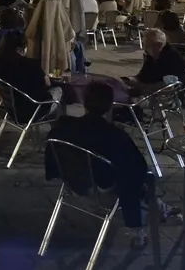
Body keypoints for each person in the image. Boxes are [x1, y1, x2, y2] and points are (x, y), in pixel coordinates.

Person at [46, 82, 177, 248]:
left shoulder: (63, 127)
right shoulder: (115, 136)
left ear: (85, 103)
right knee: (141, 176)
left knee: (130, 172)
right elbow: (137, 171)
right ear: (109, 107)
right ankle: (141, 229)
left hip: (72, 181)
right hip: (103, 189)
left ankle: (162, 208)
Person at [0, 30, 62, 123]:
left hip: (5, 109)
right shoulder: (31, 65)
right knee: (59, 90)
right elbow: (47, 83)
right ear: (20, 48)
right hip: (30, 111)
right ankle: (59, 128)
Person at [124, 28, 185, 97]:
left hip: (165, 96)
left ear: (159, 45)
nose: (144, 48)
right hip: (148, 89)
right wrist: (127, 80)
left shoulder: (172, 58)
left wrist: (140, 86)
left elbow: (167, 86)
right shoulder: (152, 55)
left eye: (147, 45)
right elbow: (142, 75)